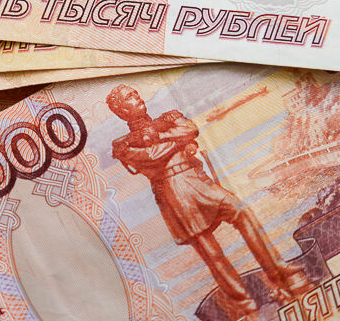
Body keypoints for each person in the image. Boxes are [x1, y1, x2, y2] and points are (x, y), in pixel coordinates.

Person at [107, 85, 308, 319]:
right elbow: (151, 157)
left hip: (198, 181)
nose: (137, 97)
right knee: (211, 253)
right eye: (130, 97)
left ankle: (279, 272)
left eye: (136, 93)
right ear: (121, 110)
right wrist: (180, 141)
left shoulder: (167, 118)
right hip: (174, 192)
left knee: (240, 211)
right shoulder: (123, 144)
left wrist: (163, 137)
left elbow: (191, 129)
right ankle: (245, 305)